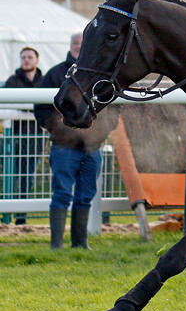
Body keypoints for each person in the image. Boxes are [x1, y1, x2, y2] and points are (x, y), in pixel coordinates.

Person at [34, 32, 119, 249]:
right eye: (75, 43)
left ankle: (80, 244)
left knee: (85, 196)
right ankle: (56, 246)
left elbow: (114, 107)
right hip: (64, 147)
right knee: (62, 194)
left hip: (93, 147)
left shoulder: (103, 75)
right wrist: (58, 129)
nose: (79, 47)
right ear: (70, 45)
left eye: (83, 43)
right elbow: (40, 108)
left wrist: (103, 131)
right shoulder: (55, 74)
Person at [3, 47, 43, 225]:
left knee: (28, 176)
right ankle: (7, 214)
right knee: (12, 175)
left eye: (29, 57)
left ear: (36, 60)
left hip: (36, 138)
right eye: (23, 57)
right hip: (15, 138)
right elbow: (16, 102)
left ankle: (21, 217)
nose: (26, 60)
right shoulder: (13, 80)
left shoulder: (43, 81)